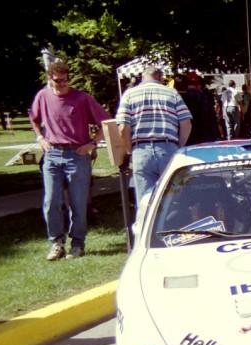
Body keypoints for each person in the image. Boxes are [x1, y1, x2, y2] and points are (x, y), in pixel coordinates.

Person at [30, 60, 110, 261]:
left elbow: (107, 122)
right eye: (58, 81)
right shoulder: (42, 96)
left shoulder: (82, 98)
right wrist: (39, 137)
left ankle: (77, 244)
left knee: (78, 202)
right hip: (52, 154)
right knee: (51, 201)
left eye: (65, 80)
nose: (62, 84)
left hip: (77, 155)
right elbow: (33, 117)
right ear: (50, 79)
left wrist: (92, 144)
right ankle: (56, 243)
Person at [116, 63, 192, 219]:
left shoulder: (130, 94)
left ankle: (147, 238)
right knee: (173, 198)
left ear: (142, 77)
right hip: (168, 148)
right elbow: (186, 123)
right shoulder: (172, 93)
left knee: (144, 201)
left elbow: (123, 127)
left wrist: (129, 149)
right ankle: (172, 232)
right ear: (160, 78)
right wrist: (179, 147)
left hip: (141, 150)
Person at [181, 72, 219, 145]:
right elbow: (212, 119)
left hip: (189, 138)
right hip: (206, 137)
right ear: (198, 85)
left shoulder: (181, 98)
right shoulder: (205, 98)